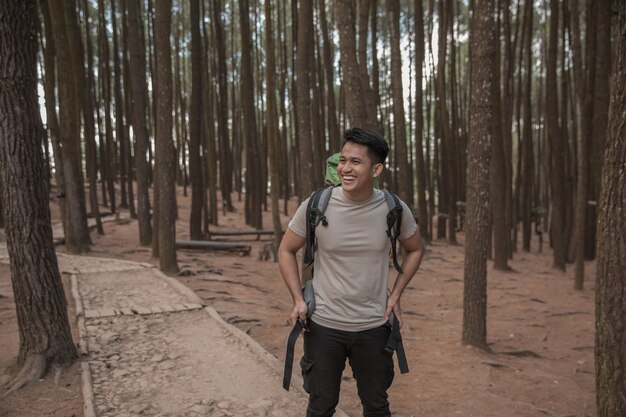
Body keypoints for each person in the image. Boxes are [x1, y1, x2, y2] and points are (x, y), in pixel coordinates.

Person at [278, 128, 425, 417]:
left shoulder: (393, 208)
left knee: (376, 406)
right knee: (320, 406)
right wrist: (298, 298)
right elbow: (286, 250)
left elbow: (416, 249)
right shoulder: (316, 205)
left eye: (356, 162)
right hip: (323, 326)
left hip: (373, 326)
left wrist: (396, 293)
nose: (345, 168)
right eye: (342, 160)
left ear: (376, 169)